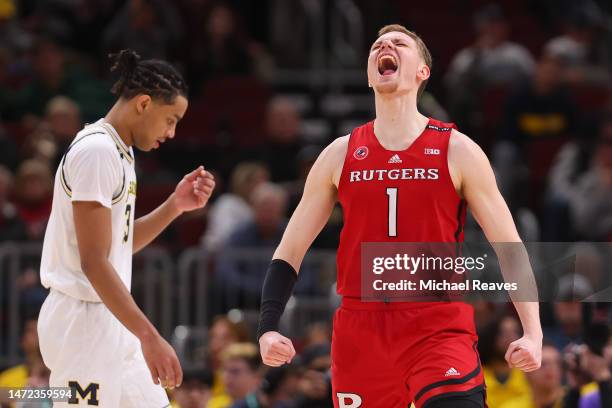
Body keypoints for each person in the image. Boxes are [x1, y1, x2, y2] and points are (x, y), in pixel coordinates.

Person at [257, 24, 542, 408]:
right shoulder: (339, 155)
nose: (385, 46)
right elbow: (288, 250)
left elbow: (509, 247)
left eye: (399, 44)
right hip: (362, 330)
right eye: (377, 45)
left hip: (436, 324)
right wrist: (267, 327)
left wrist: (533, 332)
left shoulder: (458, 150)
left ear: (423, 71)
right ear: (369, 74)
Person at [37, 49, 215, 407]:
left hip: (110, 319)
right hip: (82, 322)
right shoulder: (97, 151)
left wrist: (174, 206)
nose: (173, 132)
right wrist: (149, 336)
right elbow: (94, 261)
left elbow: (117, 245)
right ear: (144, 104)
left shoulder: (120, 151)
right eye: (171, 119)